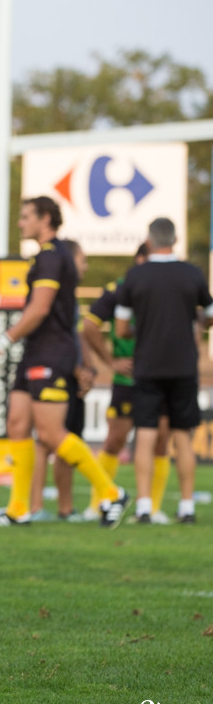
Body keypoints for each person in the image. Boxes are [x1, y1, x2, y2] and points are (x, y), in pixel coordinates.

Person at [0, 198, 127, 528]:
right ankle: (19, 508)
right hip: (36, 350)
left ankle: (111, 492)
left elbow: (40, 309)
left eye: (26, 217)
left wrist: (1, 342)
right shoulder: (51, 255)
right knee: (17, 424)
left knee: (50, 433)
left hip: (50, 353)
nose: (20, 223)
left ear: (45, 219)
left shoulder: (51, 256)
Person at [113, 217, 213, 525]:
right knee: (182, 435)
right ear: (176, 239)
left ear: (149, 239)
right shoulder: (192, 274)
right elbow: (209, 316)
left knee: (145, 433)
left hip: (148, 364)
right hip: (183, 365)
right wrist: (195, 323)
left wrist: (142, 330)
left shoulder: (136, 277)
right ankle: (186, 507)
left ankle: (144, 506)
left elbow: (121, 328)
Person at [81, 243, 172, 523]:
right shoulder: (120, 288)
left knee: (161, 440)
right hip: (128, 378)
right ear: (140, 259)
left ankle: (153, 509)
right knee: (115, 440)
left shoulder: (170, 287)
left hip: (162, 376)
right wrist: (110, 361)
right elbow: (89, 325)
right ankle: (100, 502)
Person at [28, 239, 94, 522]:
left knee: (65, 441)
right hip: (57, 372)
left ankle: (65, 508)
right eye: (82, 259)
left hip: (71, 374)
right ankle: (34, 506)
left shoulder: (70, 297)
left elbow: (78, 336)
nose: (85, 266)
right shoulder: (53, 295)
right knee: (46, 441)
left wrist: (87, 367)